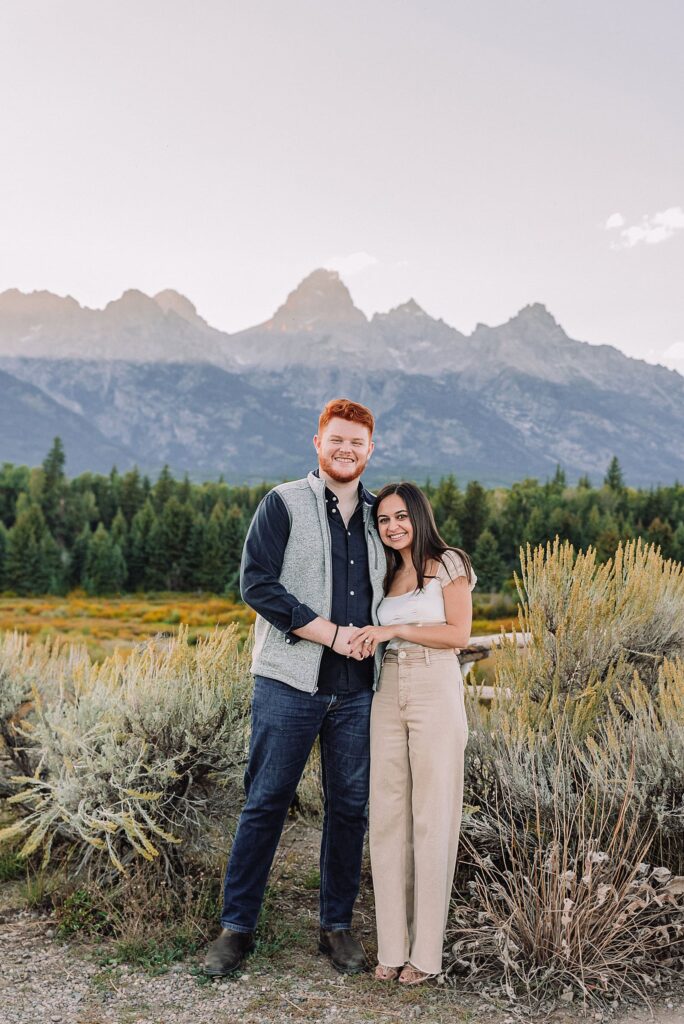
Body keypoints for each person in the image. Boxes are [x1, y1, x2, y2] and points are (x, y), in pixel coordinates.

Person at [204, 398, 386, 977]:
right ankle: (237, 928)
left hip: (359, 689)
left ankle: (335, 927)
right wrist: (330, 633)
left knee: (350, 809)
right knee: (265, 803)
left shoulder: (385, 514)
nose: (346, 450)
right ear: (317, 442)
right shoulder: (281, 503)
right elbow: (256, 584)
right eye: (336, 439)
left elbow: (411, 580)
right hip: (288, 682)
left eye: (356, 442)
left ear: (370, 449)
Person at [348, 482, 476, 984]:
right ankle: (391, 947)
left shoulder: (449, 563)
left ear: (418, 516)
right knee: (387, 815)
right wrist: (369, 640)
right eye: (383, 520)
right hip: (388, 686)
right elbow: (380, 631)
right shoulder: (388, 572)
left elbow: (458, 635)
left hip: (434, 684)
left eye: (401, 516)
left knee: (432, 816)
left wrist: (392, 630)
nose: (393, 527)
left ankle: (425, 955)